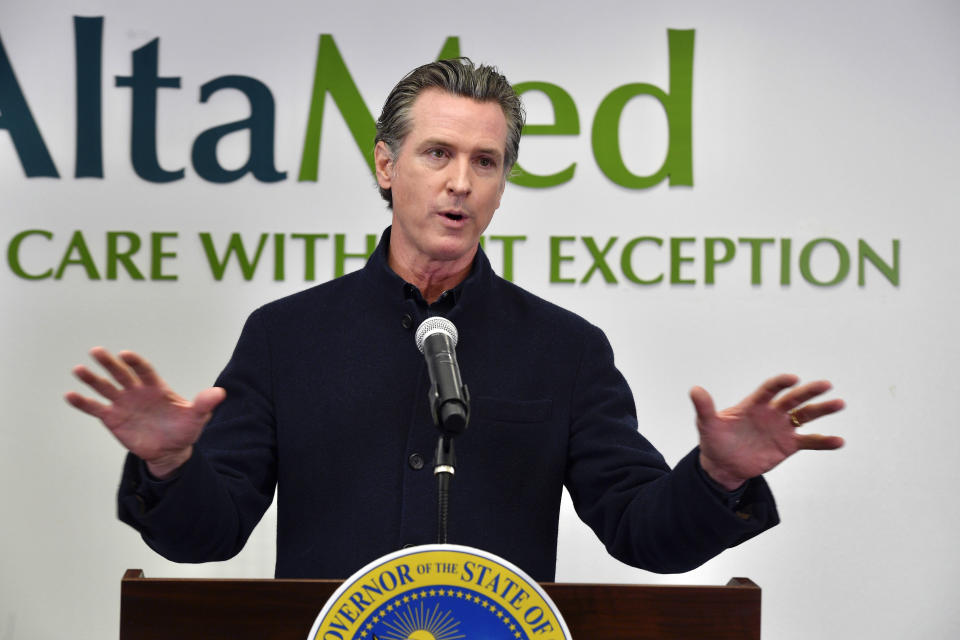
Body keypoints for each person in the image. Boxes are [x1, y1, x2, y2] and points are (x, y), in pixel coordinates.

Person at [66, 58, 844, 581]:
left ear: (503, 184)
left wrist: (719, 477)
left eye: (485, 162)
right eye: (437, 153)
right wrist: (170, 467)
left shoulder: (565, 351)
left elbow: (642, 532)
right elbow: (210, 533)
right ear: (385, 166)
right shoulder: (286, 337)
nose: (461, 183)